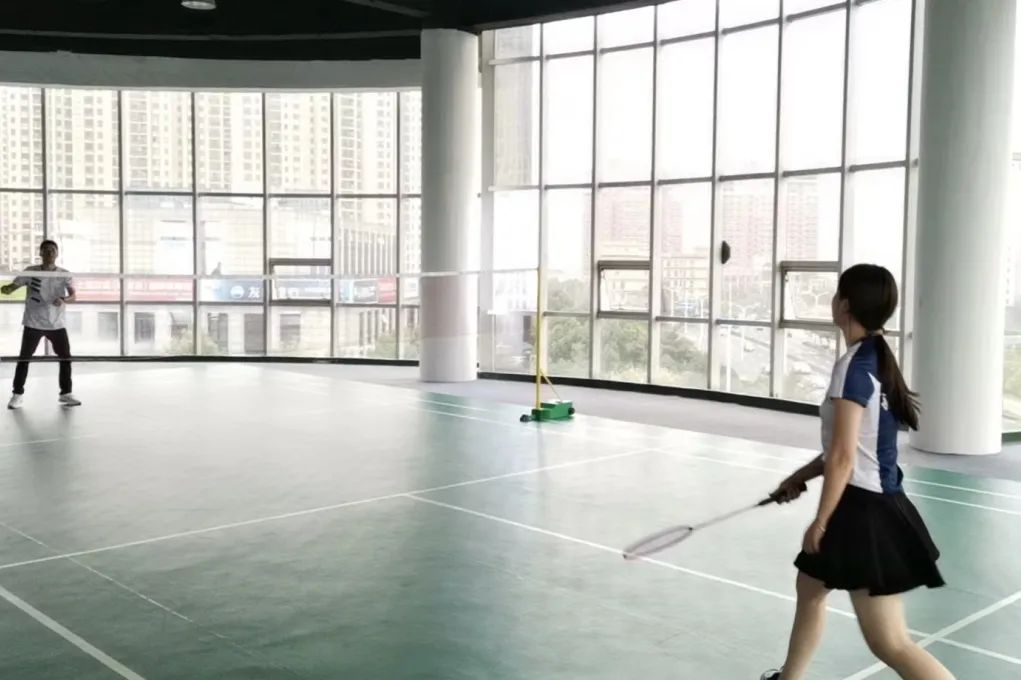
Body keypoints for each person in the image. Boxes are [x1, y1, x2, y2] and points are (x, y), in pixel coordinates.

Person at [760, 264, 951, 680]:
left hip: (864, 513)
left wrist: (820, 521)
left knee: (890, 642)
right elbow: (850, 449)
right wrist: (800, 476)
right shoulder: (877, 359)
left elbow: (845, 457)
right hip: (870, 501)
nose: (832, 300)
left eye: (836, 294)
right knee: (810, 587)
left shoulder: (853, 366)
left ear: (845, 304)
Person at [1, 240, 81, 410]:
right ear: (41, 253)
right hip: (33, 322)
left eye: (52, 250)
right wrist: (6, 289)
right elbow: (11, 287)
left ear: (57, 253)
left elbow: (74, 296)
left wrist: (64, 299)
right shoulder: (30, 271)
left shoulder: (65, 274)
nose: (49, 252)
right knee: (24, 359)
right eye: (46, 250)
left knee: (66, 358)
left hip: (56, 323)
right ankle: (17, 394)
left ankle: (66, 393)